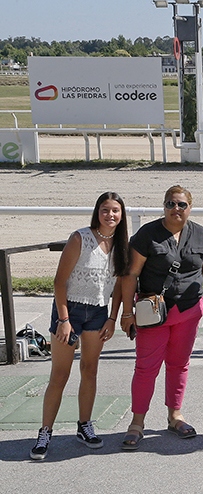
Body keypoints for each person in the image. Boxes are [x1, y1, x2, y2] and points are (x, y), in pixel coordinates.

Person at [30, 193, 129, 460]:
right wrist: (63, 321)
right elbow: (59, 282)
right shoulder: (80, 238)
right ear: (97, 212)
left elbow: (120, 286)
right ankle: (45, 432)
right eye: (105, 210)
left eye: (115, 210)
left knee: (90, 369)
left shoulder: (122, 245)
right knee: (60, 374)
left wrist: (112, 318)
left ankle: (84, 426)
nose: (110, 215)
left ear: (122, 215)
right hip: (70, 311)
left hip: (98, 313)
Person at [119, 185, 203, 450]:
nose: (176, 209)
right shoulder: (148, 234)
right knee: (146, 368)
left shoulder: (201, 235)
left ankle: (175, 415)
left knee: (179, 365)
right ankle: (137, 423)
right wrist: (127, 312)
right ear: (163, 206)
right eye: (170, 204)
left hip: (188, 312)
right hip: (153, 314)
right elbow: (130, 274)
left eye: (181, 204)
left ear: (190, 207)